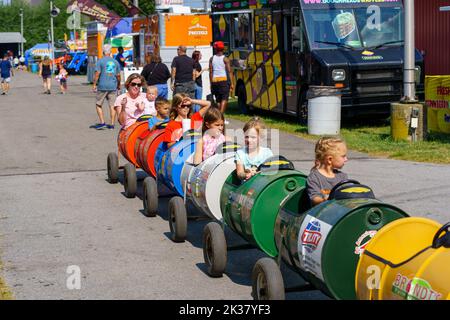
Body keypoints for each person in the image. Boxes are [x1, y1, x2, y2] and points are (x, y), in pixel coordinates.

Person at [306, 137, 349, 207]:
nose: (346, 159)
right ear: (329, 159)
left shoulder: (343, 177)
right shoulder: (314, 177)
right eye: (343, 156)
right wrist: (325, 200)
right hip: (320, 214)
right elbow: (314, 198)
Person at [92, 44, 121, 130]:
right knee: (112, 105)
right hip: (113, 86)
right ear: (110, 52)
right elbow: (118, 75)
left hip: (102, 86)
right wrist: (119, 85)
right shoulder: (115, 62)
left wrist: (94, 84)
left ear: (103, 52)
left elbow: (97, 74)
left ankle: (102, 122)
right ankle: (112, 124)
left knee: (98, 104)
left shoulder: (100, 61)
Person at [235, 117, 273, 181]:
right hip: (246, 186)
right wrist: (246, 175)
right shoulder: (240, 153)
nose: (249, 140)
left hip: (262, 185)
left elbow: (271, 171)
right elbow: (239, 173)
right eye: (246, 137)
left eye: (253, 137)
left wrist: (258, 174)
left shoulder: (267, 153)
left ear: (261, 138)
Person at [209, 41, 234, 117]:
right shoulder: (225, 59)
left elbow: (210, 72)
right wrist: (232, 83)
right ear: (223, 49)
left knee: (218, 100)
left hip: (215, 81)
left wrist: (211, 83)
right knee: (224, 99)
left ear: (216, 49)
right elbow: (229, 71)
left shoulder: (212, 58)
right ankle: (220, 116)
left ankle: (218, 116)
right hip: (223, 81)